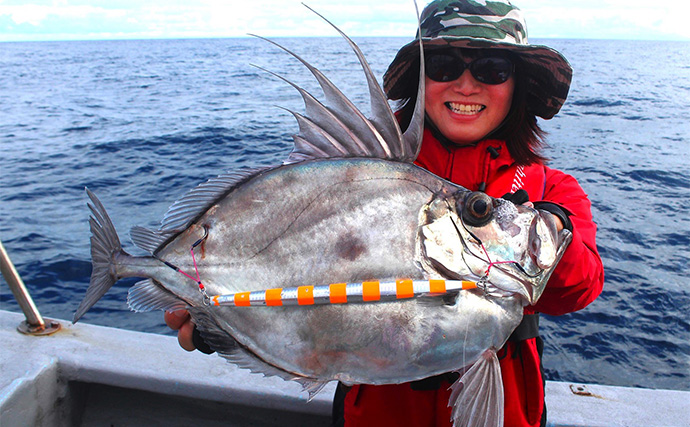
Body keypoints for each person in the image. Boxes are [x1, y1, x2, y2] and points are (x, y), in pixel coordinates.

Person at [167, 1, 605, 426]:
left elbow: (579, 291)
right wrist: (221, 319)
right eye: (444, 67)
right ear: (420, 78)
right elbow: (300, 271)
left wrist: (550, 234)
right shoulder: (362, 168)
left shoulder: (550, 190)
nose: (466, 86)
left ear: (518, 85)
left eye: (493, 69)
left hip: (504, 410)